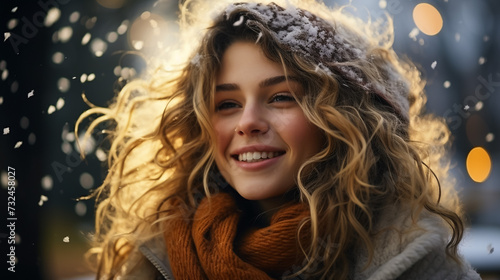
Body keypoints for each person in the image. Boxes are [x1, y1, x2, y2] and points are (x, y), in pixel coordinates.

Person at [77, 0, 482, 279]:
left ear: (349, 122)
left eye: (281, 97)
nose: (248, 122)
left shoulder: (419, 267)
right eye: (227, 104)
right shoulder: (156, 259)